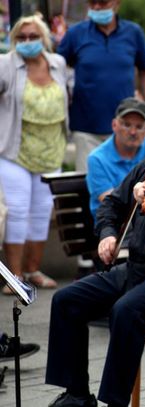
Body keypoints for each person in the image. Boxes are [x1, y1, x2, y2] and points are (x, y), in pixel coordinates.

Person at [45, 82, 145, 407]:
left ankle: (115, 402)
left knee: (126, 310)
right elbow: (112, 205)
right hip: (138, 268)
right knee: (67, 300)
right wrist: (107, 233)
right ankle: (77, 394)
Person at [0, 15, 69, 293]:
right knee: (17, 211)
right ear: (14, 40)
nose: (27, 42)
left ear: (44, 38)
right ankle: (14, 277)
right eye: (22, 37)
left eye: (33, 36)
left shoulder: (58, 64)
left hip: (51, 149)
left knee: (42, 212)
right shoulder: (6, 64)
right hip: (15, 149)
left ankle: (32, 269)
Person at [57, 0, 145, 172]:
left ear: (117, 3)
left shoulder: (133, 32)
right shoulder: (75, 34)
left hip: (126, 126)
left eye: (102, 2)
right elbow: (56, 67)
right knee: (90, 185)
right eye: (92, 3)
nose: (96, 7)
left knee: (128, 187)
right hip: (86, 128)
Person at [86, 97, 145, 220]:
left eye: (139, 126)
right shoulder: (97, 159)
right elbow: (113, 203)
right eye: (127, 125)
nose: (133, 132)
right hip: (113, 225)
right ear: (114, 125)